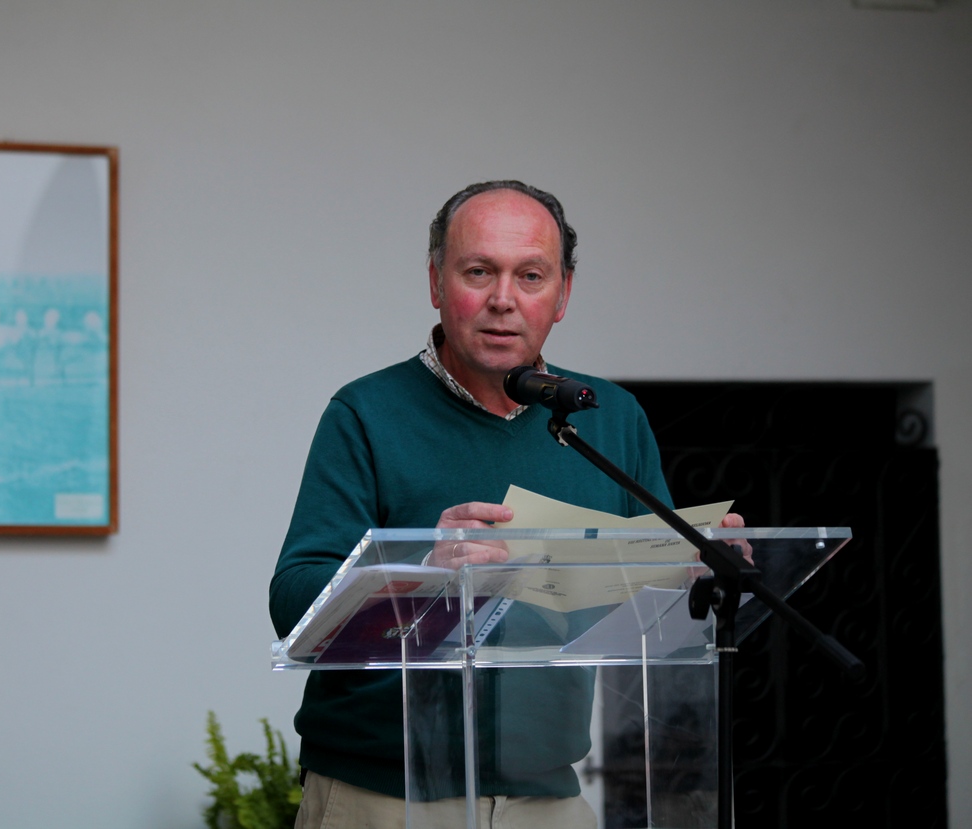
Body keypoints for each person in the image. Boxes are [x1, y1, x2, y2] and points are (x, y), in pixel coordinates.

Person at [270, 180, 744, 828]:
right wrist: (420, 567)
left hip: (548, 796)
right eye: (478, 271)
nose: (503, 299)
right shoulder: (365, 412)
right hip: (381, 796)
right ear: (436, 282)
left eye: (530, 275)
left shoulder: (606, 420)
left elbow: (643, 613)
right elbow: (293, 601)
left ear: (563, 294)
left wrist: (702, 576)